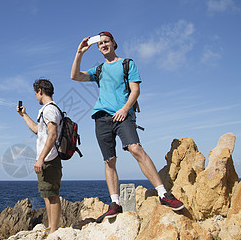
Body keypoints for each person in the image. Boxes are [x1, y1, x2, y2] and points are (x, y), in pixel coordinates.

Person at [70, 31, 184, 221]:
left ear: (114, 43)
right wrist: (79, 52)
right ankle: (115, 203)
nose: (104, 45)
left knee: (136, 148)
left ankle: (163, 194)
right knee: (109, 160)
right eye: (101, 44)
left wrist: (125, 109)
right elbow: (74, 76)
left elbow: (135, 90)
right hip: (101, 118)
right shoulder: (98, 70)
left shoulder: (127, 64)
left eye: (107, 42)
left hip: (123, 116)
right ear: (98, 48)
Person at [16, 79, 63, 233]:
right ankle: (51, 227)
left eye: (36, 93)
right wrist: (24, 115)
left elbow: (52, 135)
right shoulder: (46, 110)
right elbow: (38, 130)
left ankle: (54, 231)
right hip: (47, 158)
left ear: (40, 91)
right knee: (47, 194)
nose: (36, 96)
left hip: (49, 158)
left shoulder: (49, 110)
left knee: (52, 195)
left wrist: (41, 158)